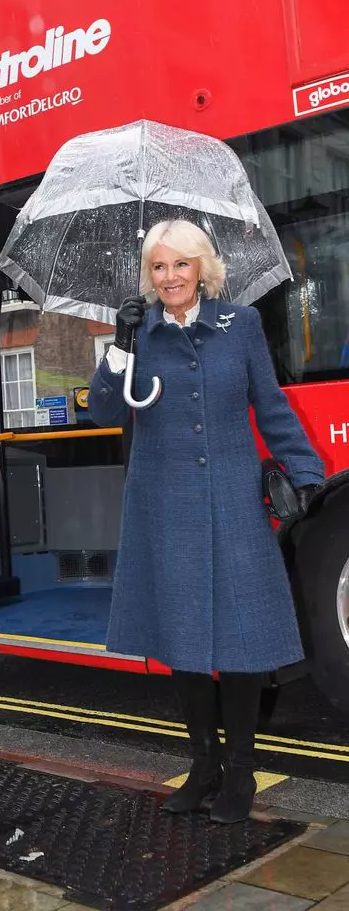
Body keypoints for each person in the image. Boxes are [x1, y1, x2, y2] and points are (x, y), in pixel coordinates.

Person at [87, 219, 324, 823]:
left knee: (242, 641)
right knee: (185, 643)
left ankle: (240, 773)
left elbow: (269, 406)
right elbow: (106, 412)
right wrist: (119, 346)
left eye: (180, 265)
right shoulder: (140, 336)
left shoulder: (239, 325)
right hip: (164, 507)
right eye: (158, 266)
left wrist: (306, 472)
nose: (169, 277)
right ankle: (203, 765)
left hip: (233, 501)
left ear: (204, 269)